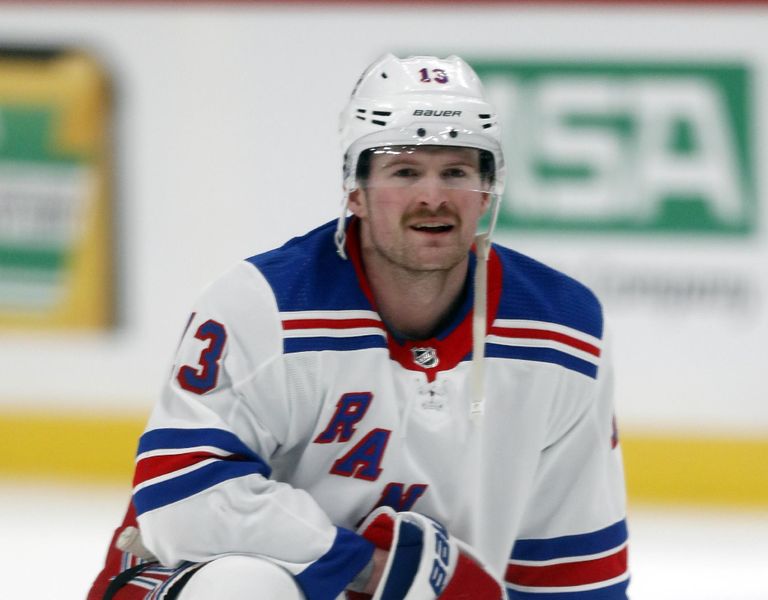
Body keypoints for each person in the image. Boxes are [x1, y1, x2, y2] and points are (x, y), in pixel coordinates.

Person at [88, 54, 629, 600]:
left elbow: (574, 564)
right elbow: (184, 504)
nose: (433, 196)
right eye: (405, 171)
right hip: (184, 578)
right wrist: (379, 571)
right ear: (355, 190)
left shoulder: (563, 331)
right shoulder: (267, 306)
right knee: (244, 587)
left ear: (487, 191)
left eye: (457, 172)